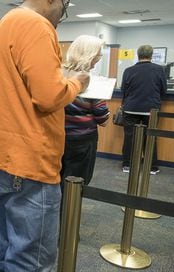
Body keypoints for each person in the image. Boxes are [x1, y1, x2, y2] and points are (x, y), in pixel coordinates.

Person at [0, 0, 89, 272]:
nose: (60, 15)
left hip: (0, 153)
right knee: (31, 260)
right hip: (30, 160)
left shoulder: (2, 26)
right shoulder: (37, 26)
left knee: (2, 246)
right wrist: (77, 83)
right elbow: (49, 96)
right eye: (64, 8)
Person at [60, 35, 110, 198]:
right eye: (98, 54)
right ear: (90, 54)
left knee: (56, 179)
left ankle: (55, 217)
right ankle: (68, 219)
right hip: (82, 140)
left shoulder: (57, 74)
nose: (98, 58)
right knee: (76, 181)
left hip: (56, 137)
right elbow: (102, 118)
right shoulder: (90, 80)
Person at [121, 45, 167, 175]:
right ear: (151, 55)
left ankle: (127, 165)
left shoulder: (128, 70)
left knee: (129, 137)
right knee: (150, 137)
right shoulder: (159, 70)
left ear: (138, 55)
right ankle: (152, 167)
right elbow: (164, 90)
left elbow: (123, 90)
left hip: (130, 109)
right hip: (151, 110)